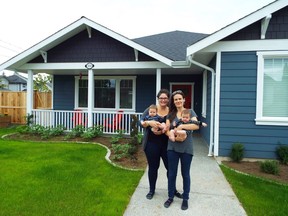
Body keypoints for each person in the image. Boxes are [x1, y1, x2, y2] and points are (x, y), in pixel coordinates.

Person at [140, 89, 182, 200]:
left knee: (171, 168)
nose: (163, 100)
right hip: (152, 144)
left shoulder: (172, 111)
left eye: (165, 98)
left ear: (168, 99)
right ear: (158, 99)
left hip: (167, 145)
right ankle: (151, 190)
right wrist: (149, 123)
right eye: (161, 98)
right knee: (153, 167)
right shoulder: (151, 109)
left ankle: (173, 189)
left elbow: (176, 124)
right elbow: (141, 121)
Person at [164, 90, 200, 210]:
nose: (178, 101)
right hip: (172, 147)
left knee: (185, 174)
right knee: (172, 173)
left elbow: (196, 125)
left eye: (180, 99)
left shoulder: (190, 112)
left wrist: (181, 126)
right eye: (175, 99)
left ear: (184, 99)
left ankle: (185, 198)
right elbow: (167, 129)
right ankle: (170, 196)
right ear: (173, 102)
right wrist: (170, 135)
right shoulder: (171, 114)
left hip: (186, 148)